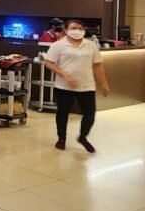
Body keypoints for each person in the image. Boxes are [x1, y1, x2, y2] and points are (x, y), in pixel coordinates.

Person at [42, 19, 110, 152]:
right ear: (66, 30)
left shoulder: (90, 45)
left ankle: (83, 137)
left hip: (87, 85)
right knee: (63, 113)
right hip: (64, 86)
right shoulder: (58, 45)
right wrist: (64, 75)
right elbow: (49, 63)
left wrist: (104, 83)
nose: (77, 31)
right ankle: (61, 138)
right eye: (73, 28)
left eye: (80, 28)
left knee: (89, 114)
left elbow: (97, 65)